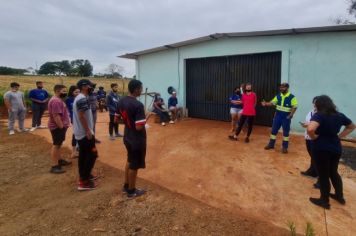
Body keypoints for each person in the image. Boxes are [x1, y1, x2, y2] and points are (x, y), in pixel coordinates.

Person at [307, 95, 355, 209]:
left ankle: (324, 201)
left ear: (319, 105)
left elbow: (310, 129)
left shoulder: (319, 115)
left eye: (316, 104)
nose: (314, 106)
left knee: (323, 175)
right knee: (333, 172)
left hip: (321, 149)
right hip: (335, 148)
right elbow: (352, 126)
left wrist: (314, 138)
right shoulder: (339, 115)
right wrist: (339, 136)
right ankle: (339, 196)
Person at [117, 79, 150, 198]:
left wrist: (128, 122)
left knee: (129, 160)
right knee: (134, 165)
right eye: (141, 88)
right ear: (136, 89)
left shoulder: (121, 101)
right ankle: (131, 191)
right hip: (137, 140)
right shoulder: (138, 105)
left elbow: (116, 120)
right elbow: (139, 127)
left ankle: (126, 185)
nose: (141, 90)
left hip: (127, 136)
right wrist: (146, 117)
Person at [73, 79, 99, 191]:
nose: (91, 87)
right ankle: (84, 182)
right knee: (92, 155)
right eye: (90, 86)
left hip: (80, 132)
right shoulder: (82, 98)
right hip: (85, 133)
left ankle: (85, 175)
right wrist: (88, 131)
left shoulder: (79, 98)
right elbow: (81, 116)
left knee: (83, 155)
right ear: (83, 86)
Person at [261, 83, 298, 154]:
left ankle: (284, 147)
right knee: (273, 131)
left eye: (283, 87)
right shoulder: (278, 96)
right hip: (277, 117)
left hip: (286, 118)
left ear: (287, 88)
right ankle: (271, 145)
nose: (281, 89)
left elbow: (295, 106)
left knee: (286, 133)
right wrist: (265, 103)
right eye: (280, 87)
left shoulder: (292, 97)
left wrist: (290, 115)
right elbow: (272, 103)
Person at [47, 84, 72, 174]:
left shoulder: (58, 100)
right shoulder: (56, 101)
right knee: (56, 145)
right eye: (64, 91)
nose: (66, 93)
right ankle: (54, 166)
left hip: (59, 126)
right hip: (57, 127)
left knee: (59, 144)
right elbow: (56, 116)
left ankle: (59, 160)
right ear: (57, 91)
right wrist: (61, 127)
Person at [300, 97, 319, 179]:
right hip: (308, 136)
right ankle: (312, 171)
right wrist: (306, 124)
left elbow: (319, 125)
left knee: (316, 156)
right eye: (314, 102)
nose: (315, 104)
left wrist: (308, 125)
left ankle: (320, 175)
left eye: (317, 103)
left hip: (316, 137)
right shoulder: (311, 112)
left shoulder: (322, 114)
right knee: (312, 155)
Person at [66, 85, 80, 159]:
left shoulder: (81, 98)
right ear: (71, 92)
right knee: (75, 134)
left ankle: (78, 149)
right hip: (74, 119)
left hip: (81, 119)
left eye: (78, 92)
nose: (77, 93)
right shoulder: (68, 99)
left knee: (81, 134)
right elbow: (66, 110)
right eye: (75, 92)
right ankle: (73, 151)